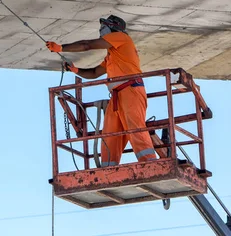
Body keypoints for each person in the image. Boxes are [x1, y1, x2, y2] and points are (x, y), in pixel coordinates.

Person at [46, 15, 157, 166]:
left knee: (135, 127)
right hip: (118, 95)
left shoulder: (121, 37)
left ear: (112, 27)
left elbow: (87, 45)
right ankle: (108, 168)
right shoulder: (112, 55)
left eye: (103, 27)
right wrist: (75, 69)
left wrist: (61, 48)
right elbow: (93, 73)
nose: (100, 31)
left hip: (131, 90)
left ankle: (150, 163)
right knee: (110, 134)